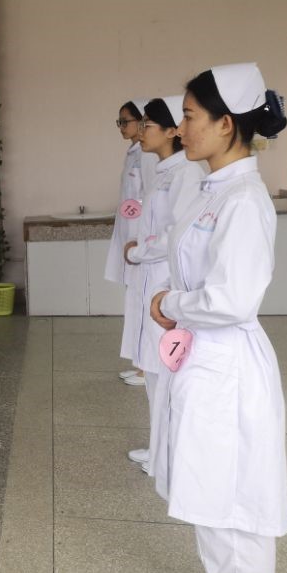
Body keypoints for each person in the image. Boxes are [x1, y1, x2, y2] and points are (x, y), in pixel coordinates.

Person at [148, 63, 287, 573]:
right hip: (203, 359)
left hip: (230, 366)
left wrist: (170, 304)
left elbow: (232, 300)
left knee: (238, 502)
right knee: (210, 488)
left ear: (226, 123)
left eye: (189, 117)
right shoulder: (213, 190)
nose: (181, 129)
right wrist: (175, 300)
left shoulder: (244, 200)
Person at [119, 96, 204, 475]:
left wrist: (139, 252)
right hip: (149, 280)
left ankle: (169, 454)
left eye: (148, 124)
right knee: (154, 372)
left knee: (166, 373)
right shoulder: (164, 171)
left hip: (163, 284)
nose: (140, 131)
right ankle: (160, 450)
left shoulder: (187, 173)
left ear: (171, 131)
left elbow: (176, 234)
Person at [104, 97, 159, 386]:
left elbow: (149, 199)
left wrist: (140, 241)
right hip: (132, 240)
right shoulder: (134, 152)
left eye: (125, 121)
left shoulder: (148, 156)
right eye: (119, 122)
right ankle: (141, 364)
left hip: (142, 242)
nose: (121, 127)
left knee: (144, 301)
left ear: (142, 122)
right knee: (135, 301)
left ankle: (147, 368)